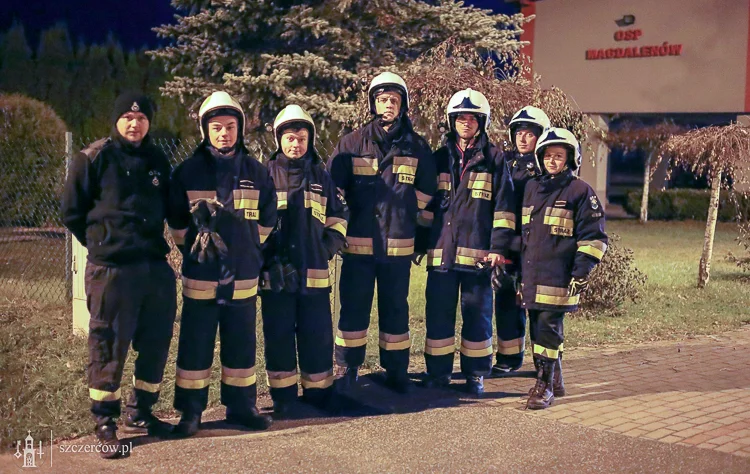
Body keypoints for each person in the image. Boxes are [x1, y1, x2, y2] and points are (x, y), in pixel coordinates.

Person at [62, 91, 176, 458]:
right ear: (116, 120)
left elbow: (173, 209)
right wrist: (102, 243)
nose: (134, 123)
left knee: (156, 342)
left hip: (154, 269)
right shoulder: (93, 158)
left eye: (141, 118)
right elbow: (71, 212)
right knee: (109, 345)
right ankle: (105, 422)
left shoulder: (157, 160)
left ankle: (141, 412)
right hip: (112, 270)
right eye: (128, 117)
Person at [167, 91, 276, 436]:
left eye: (230, 126)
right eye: (216, 128)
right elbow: (177, 223)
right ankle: (190, 412)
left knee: (241, 344)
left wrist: (248, 249)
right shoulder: (188, 172)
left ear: (239, 128)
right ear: (205, 131)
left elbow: (268, 221)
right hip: (202, 277)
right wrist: (195, 250)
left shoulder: (257, 172)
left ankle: (241, 407)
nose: (224, 133)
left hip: (243, 276)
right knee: (195, 345)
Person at [327, 72, 436, 393]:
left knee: (396, 309)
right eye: (383, 99)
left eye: (394, 100)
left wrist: (406, 214)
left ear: (403, 106)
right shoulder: (351, 143)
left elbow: (427, 191)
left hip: (398, 248)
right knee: (353, 308)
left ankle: (396, 370)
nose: (388, 105)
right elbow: (334, 190)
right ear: (373, 104)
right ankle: (347, 367)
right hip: (357, 246)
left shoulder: (417, 147)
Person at [417, 88, 516, 396]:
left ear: (481, 123)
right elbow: (426, 207)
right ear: (452, 121)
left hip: (478, 257)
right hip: (442, 254)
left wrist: (498, 249)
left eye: (472, 119)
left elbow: (504, 208)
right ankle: (438, 373)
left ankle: (475, 374)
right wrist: (419, 244)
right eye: (460, 118)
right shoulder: (438, 159)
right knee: (438, 316)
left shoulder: (494, 159)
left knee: (477, 317)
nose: (465, 123)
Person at [260, 105, 348, 416]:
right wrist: (267, 259)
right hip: (277, 276)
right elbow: (253, 224)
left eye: (301, 138)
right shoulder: (265, 175)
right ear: (278, 140)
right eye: (290, 138)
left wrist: (327, 248)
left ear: (309, 140)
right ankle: (283, 397)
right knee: (279, 336)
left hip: (315, 274)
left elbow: (338, 217)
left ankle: (319, 393)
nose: (296, 144)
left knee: (317, 336)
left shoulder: (321, 176)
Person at [521, 127, 608, 410]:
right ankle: (555, 379)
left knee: (548, 329)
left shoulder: (580, 191)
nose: (552, 160)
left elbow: (594, 238)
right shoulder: (532, 188)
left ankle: (544, 386)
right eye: (548, 155)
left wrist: (581, 271)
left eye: (558, 156)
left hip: (559, 276)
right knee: (537, 330)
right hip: (532, 275)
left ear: (570, 159)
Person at [493, 106, 551, 374]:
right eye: (519, 133)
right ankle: (508, 359)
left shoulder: (547, 167)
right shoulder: (504, 163)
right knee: (507, 301)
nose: (523, 138)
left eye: (529, 134)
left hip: (537, 247)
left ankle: (545, 362)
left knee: (540, 307)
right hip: (509, 245)